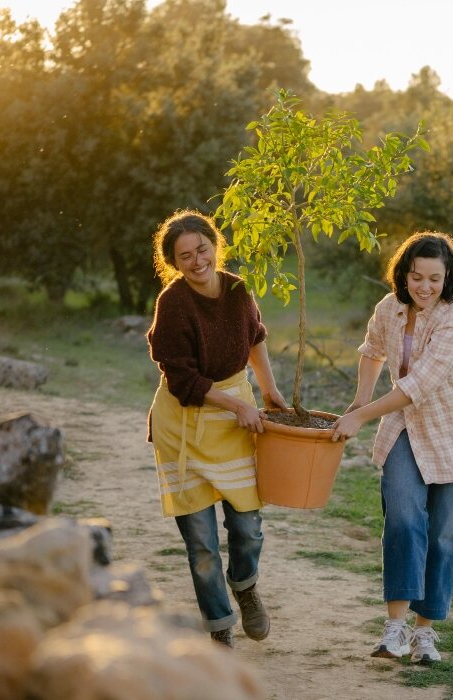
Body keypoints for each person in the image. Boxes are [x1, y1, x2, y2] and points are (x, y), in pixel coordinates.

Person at [332, 231, 453, 664]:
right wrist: (362, 399)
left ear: (448, 278)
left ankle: (425, 632)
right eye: (416, 276)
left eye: (434, 279)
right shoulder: (390, 308)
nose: (424, 287)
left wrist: (360, 418)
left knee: (444, 534)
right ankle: (395, 629)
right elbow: (372, 350)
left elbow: (419, 384)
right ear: (404, 274)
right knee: (402, 518)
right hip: (405, 428)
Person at [146, 209, 287, 649]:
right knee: (202, 544)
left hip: (233, 419)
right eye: (184, 255)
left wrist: (269, 393)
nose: (196, 260)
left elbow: (256, 338)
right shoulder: (172, 305)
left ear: (215, 244)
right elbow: (182, 380)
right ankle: (219, 626)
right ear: (173, 261)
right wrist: (232, 405)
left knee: (247, 526)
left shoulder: (238, 290)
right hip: (184, 425)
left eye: (201, 249)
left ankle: (244, 587)